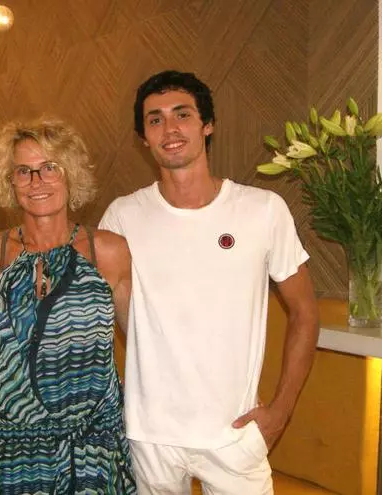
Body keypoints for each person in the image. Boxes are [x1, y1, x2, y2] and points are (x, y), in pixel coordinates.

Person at [97, 70, 320, 494]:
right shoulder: (122, 217)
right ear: (143, 137)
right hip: (149, 437)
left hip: (234, 435)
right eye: (155, 119)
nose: (170, 128)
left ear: (208, 124)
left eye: (182, 114)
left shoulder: (262, 210)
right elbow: (103, 315)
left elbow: (305, 313)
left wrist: (281, 411)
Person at [0, 116, 137, 494]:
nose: (36, 181)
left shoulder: (109, 251)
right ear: (10, 182)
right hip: (11, 450)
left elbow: (145, 344)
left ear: (70, 173)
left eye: (49, 168)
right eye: (23, 171)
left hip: (93, 447)